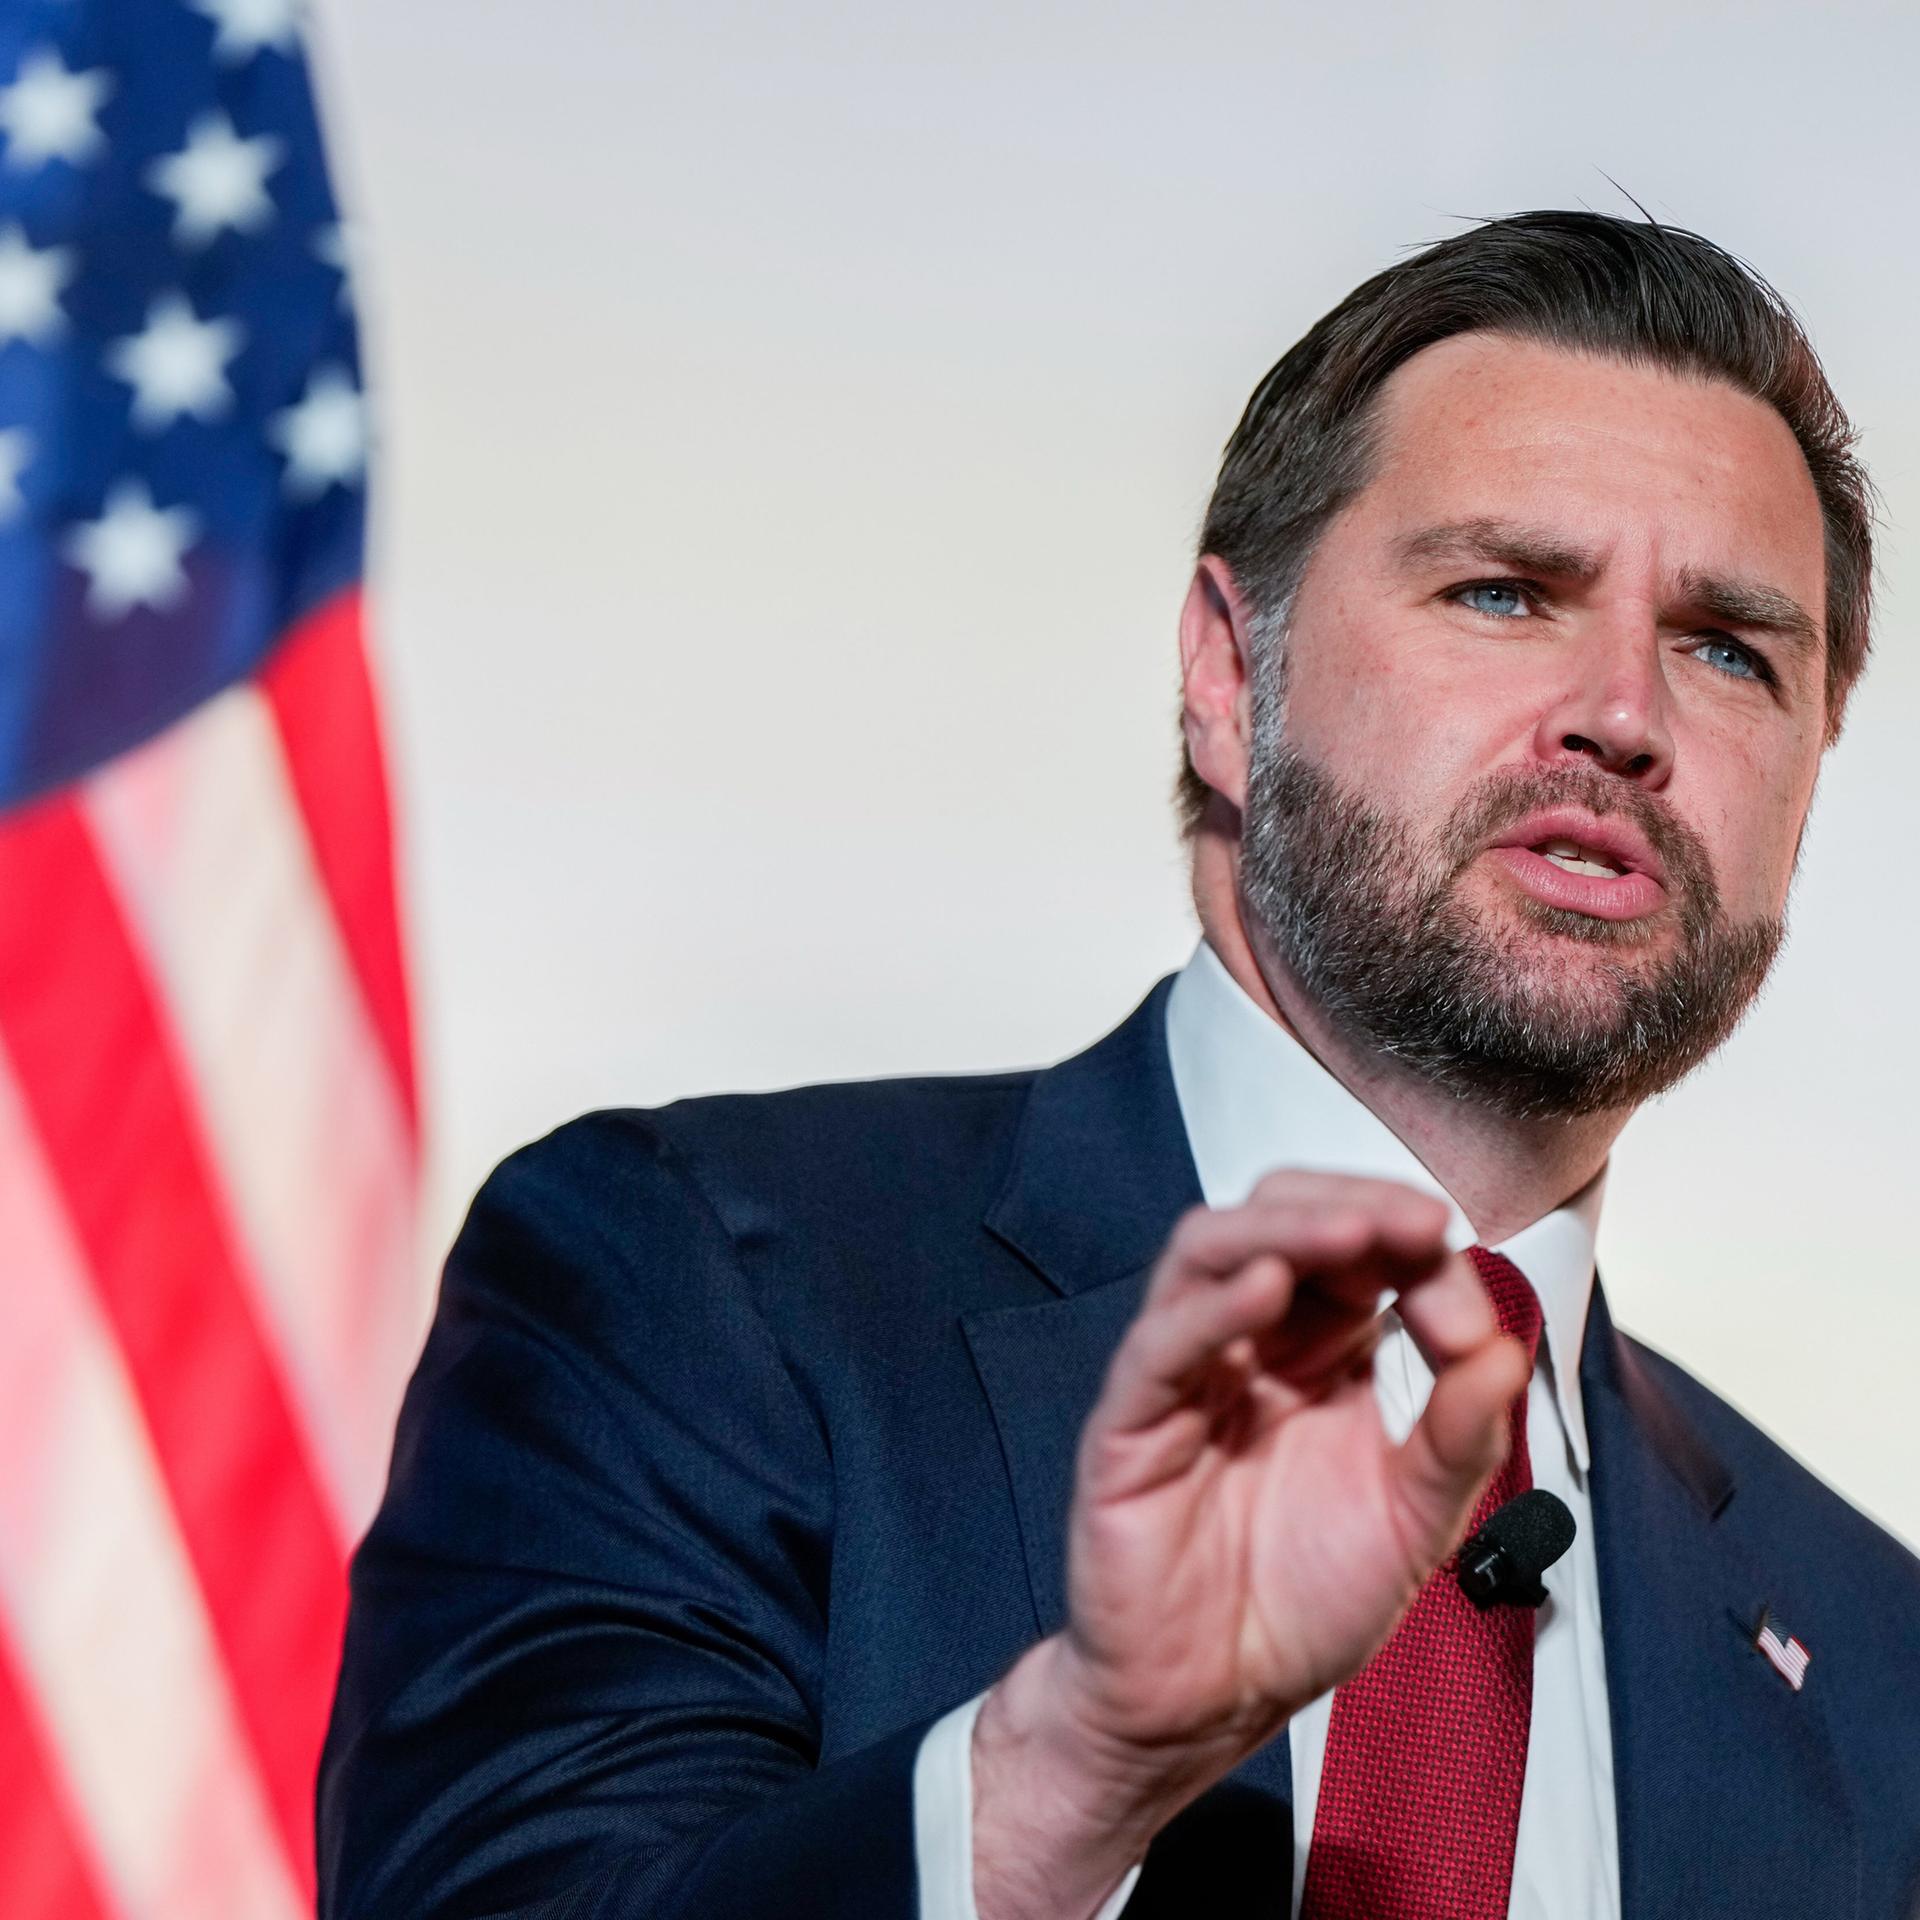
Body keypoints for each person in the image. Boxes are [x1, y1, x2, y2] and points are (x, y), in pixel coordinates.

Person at [317, 211, 1920, 1920]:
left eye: (1730, 647)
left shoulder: (1877, 1660)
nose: (1624, 713)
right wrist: (1076, 1762)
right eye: (1505, 591)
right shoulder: (697, 1282)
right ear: (1232, 681)